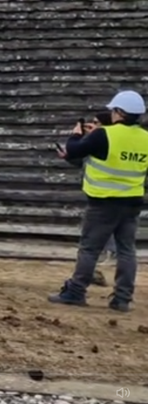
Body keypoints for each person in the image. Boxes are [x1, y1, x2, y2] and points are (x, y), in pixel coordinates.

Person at [51, 90, 148, 312]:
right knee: (127, 250)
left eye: (114, 110)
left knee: (89, 249)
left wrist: (75, 134)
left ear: (120, 113)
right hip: (132, 202)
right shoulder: (146, 138)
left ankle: (76, 292)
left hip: (104, 202)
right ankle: (122, 298)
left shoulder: (105, 134)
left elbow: (74, 150)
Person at [67, 111, 117, 262]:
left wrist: (76, 137)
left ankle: (109, 254)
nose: (91, 125)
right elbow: (83, 161)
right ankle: (105, 254)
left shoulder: (105, 141)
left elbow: (76, 148)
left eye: (96, 123)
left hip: (107, 192)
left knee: (101, 228)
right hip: (97, 191)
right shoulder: (97, 141)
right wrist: (68, 156)